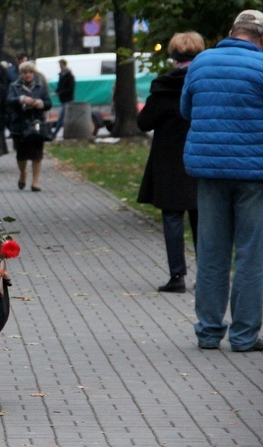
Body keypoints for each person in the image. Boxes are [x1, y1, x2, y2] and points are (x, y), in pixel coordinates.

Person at [181, 10, 263, 352]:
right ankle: (244, 337)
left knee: (212, 252)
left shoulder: (201, 62)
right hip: (254, 175)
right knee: (250, 255)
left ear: (233, 32)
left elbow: (187, 109)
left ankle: (209, 332)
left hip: (209, 171)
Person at [137, 32, 204, 294]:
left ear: (173, 54)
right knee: (202, 219)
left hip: (168, 161)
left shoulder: (163, 86)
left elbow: (144, 123)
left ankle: (177, 275)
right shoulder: (204, 83)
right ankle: (206, 277)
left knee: (173, 218)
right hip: (200, 157)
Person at [6, 60, 52, 192]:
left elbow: (49, 103)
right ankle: (23, 174)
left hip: (37, 124)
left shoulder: (40, 87)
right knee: (21, 155)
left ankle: (35, 182)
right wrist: (21, 99)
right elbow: (8, 100)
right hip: (20, 125)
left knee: (37, 154)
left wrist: (40, 103)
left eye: (30, 72)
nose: (28, 75)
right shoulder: (14, 86)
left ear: (34, 73)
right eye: (25, 72)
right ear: (21, 74)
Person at [50, 59, 75, 139]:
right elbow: (60, 86)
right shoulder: (61, 75)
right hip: (63, 99)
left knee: (61, 117)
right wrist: (57, 91)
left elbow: (69, 88)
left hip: (67, 99)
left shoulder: (69, 76)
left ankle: (54, 134)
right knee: (64, 117)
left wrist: (59, 93)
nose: (60, 67)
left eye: (60, 65)